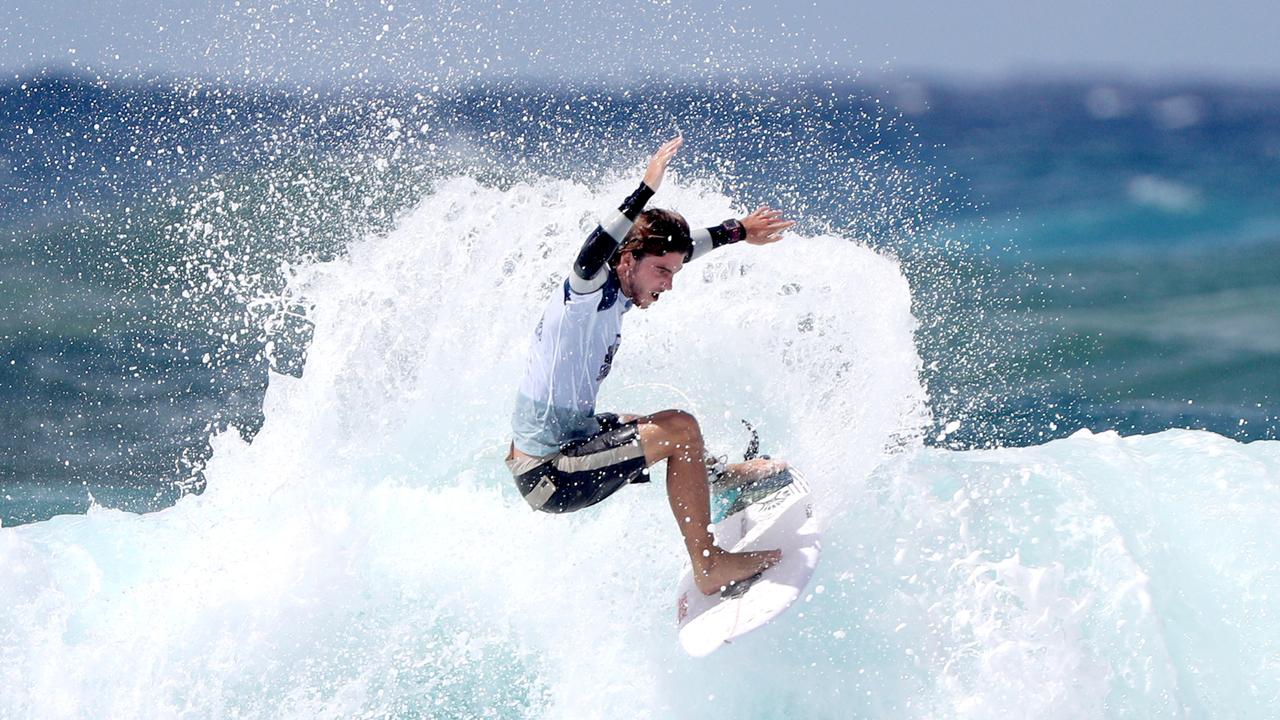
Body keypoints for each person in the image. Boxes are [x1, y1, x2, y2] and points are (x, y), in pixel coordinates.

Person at [506, 136, 796, 595]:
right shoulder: (583, 296)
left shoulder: (623, 287)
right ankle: (709, 564)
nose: (668, 285)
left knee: (643, 424)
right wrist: (644, 190)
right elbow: (591, 252)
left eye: (674, 274)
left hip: (569, 441)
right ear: (627, 259)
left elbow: (684, 247)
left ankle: (716, 481)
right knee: (679, 428)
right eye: (662, 272)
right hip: (549, 475)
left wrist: (738, 230)